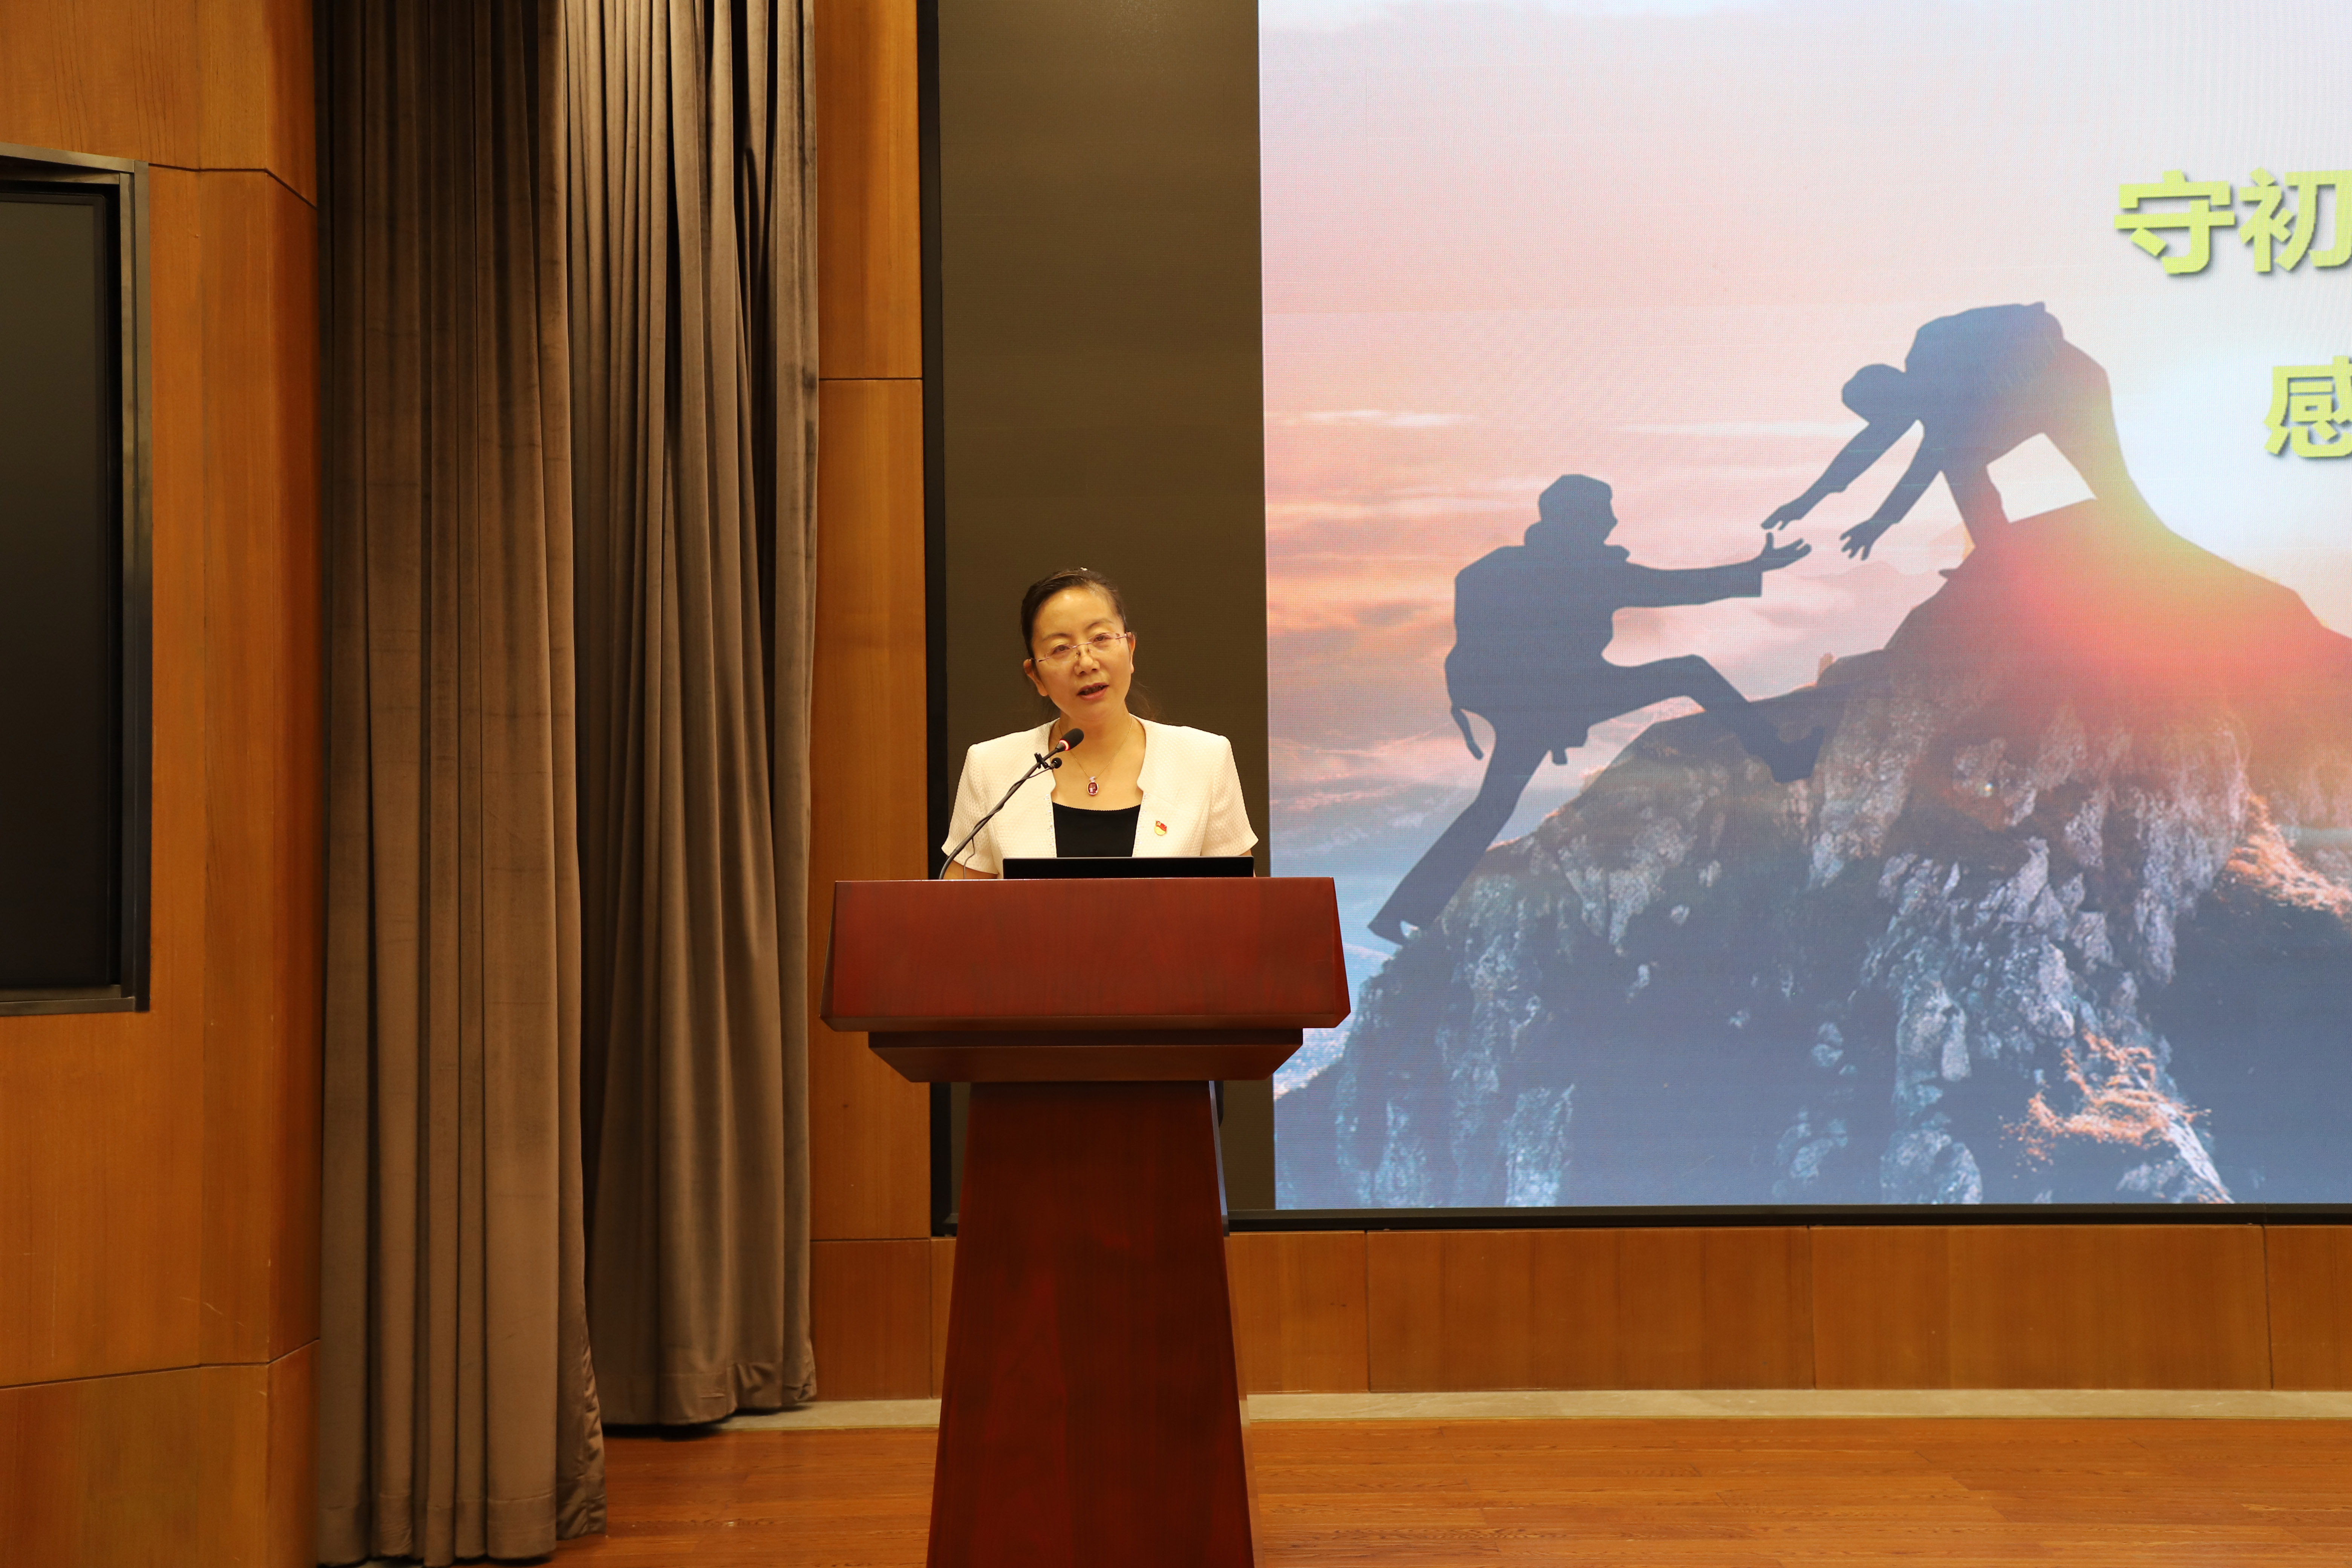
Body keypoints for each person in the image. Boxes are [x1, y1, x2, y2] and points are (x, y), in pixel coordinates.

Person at [1369, 475, 1816, 944]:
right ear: (1580, 520)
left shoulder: (1495, 568)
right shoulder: (1590, 570)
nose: (1613, 521)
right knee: (1691, 671)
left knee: (1493, 804)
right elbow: (1678, 587)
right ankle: (1782, 759)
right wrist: (1758, 567)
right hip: (1565, 697)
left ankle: (1402, 910)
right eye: (1604, 512)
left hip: (1520, 706)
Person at [1761, 302, 2148, 559]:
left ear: (1893, 394)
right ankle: (1997, 556)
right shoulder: (1922, 396)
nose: (1893, 430)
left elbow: (1924, 464)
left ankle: (2146, 547)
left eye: (1888, 421)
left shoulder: (1934, 355)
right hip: (2023, 399)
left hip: (2071, 385)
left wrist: (1879, 524)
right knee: (1960, 461)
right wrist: (1806, 502)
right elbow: (1865, 451)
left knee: (2107, 479)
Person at [940, 567, 1257, 877]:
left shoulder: (1204, 760)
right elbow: (960, 907)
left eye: (1101, 638)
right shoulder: (991, 767)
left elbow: (1239, 904)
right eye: (1060, 649)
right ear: (1036, 676)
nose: (1087, 663)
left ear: (1130, 649)